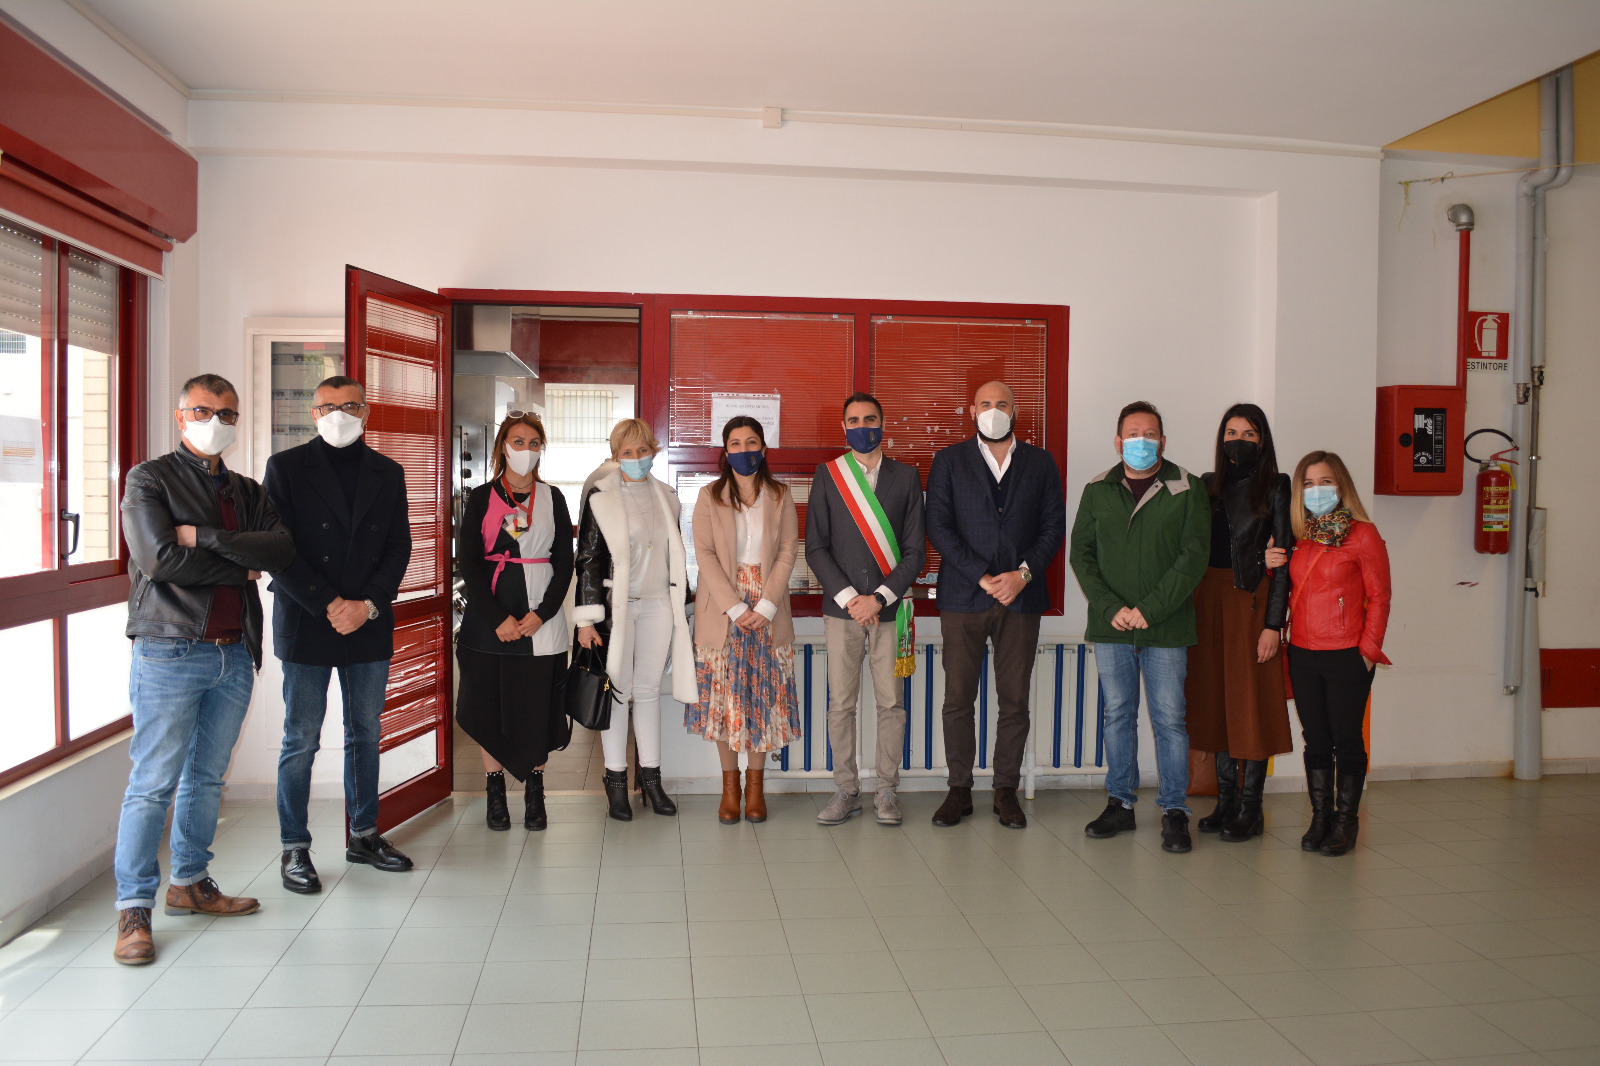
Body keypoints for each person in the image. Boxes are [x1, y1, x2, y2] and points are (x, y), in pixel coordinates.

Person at [112, 374, 294, 964]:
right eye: (203, 409)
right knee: (152, 785)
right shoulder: (149, 480)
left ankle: (190, 883)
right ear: (180, 414)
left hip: (233, 652)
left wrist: (208, 538)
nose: (215, 420)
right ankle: (132, 911)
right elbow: (160, 561)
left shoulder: (245, 489)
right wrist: (236, 563)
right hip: (169, 649)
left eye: (227, 413)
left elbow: (280, 551)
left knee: (206, 780)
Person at [263, 375, 415, 893]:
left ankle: (365, 833)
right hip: (309, 620)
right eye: (327, 406)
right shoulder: (284, 469)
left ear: (366, 411)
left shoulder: (388, 472)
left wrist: (366, 605)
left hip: (367, 623)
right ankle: (294, 847)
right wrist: (331, 604)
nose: (338, 414)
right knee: (300, 738)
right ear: (313, 413)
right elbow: (277, 550)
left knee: (365, 734)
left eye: (349, 405)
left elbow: (400, 548)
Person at [1069, 400, 1208, 853]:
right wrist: (1112, 608)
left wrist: (1150, 609)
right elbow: (1082, 557)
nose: (1141, 441)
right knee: (1117, 715)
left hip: (1166, 627)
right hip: (1111, 628)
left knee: (1170, 719)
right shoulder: (1097, 489)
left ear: (1163, 442)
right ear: (1118, 441)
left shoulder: (1187, 488)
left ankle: (1174, 810)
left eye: (1150, 434)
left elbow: (1193, 559)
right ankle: (1120, 804)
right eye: (1133, 434)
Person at [925, 381, 1065, 829]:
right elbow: (939, 527)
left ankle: (1005, 789)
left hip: (1021, 599)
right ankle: (959, 790)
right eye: (985, 404)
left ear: (1015, 409)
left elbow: (1052, 526)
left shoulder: (1040, 463)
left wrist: (1022, 575)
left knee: (1015, 701)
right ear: (972, 411)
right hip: (964, 596)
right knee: (958, 699)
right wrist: (982, 575)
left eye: (1002, 403)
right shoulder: (948, 460)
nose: (993, 410)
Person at [806, 393, 926, 826]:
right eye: (854, 420)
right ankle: (846, 791)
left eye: (870, 419)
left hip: (892, 611)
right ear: (844, 427)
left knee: (891, 703)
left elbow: (916, 552)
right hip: (842, 612)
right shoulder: (828, 475)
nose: (862, 426)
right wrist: (851, 599)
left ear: (883, 422)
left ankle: (887, 791)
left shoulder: (907, 477)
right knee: (841, 704)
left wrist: (878, 598)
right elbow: (816, 547)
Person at [573, 418, 697, 821]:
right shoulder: (601, 496)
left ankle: (652, 779)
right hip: (617, 608)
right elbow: (588, 559)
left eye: (643, 450)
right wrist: (587, 619)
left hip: (659, 604)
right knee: (619, 693)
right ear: (615, 455)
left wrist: (684, 603)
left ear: (654, 451)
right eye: (627, 452)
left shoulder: (668, 496)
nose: (636, 458)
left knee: (647, 692)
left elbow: (674, 555)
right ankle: (615, 783)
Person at [454, 412, 573, 832]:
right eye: (518, 442)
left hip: (541, 625)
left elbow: (565, 562)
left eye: (534, 443)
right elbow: (468, 562)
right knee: (489, 705)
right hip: (491, 624)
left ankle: (536, 794)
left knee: (537, 708)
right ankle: (495, 792)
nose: (526, 450)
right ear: (503, 445)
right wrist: (498, 618)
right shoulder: (481, 497)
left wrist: (542, 614)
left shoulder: (553, 497)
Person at [1272, 450, 1391, 856]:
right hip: (1303, 652)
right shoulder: (1298, 536)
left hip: (1346, 654)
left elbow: (1380, 596)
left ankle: (1346, 822)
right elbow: (1286, 591)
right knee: (1315, 740)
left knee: (1347, 741)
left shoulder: (1363, 534)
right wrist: (1270, 564)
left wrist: (1369, 651)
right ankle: (1320, 816)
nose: (1316, 490)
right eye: (1307, 483)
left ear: (1341, 486)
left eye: (1325, 482)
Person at [687, 416, 802, 824]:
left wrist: (766, 605)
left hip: (769, 609)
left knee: (762, 700)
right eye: (735, 443)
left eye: (751, 442)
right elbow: (704, 555)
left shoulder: (780, 495)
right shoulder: (708, 496)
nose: (744, 449)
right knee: (724, 701)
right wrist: (736, 608)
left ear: (763, 449)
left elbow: (789, 550)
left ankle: (756, 788)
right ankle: (730, 788)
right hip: (723, 611)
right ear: (725, 451)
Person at [1186, 403, 1293, 842]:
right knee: (1216, 701)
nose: (1239, 440)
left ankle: (1252, 808)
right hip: (1205, 599)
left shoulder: (1276, 485)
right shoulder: (1206, 485)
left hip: (1250, 600)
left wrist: (1274, 625)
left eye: (1249, 434)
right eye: (1231, 432)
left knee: (1251, 702)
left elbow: (1283, 559)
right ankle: (1226, 801)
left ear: (1262, 441)